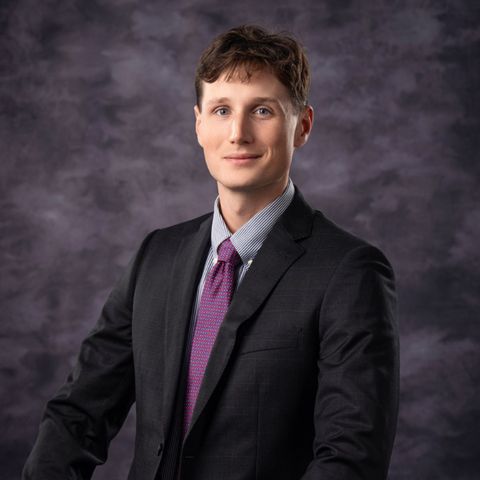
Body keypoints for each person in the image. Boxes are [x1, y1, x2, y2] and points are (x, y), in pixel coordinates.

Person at [23, 24, 399, 480]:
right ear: (199, 123)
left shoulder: (350, 271)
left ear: (301, 126)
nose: (238, 133)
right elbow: (78, 414)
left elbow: (351, 459)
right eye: (222, 110)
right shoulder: (156, 256)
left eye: (262, 110)